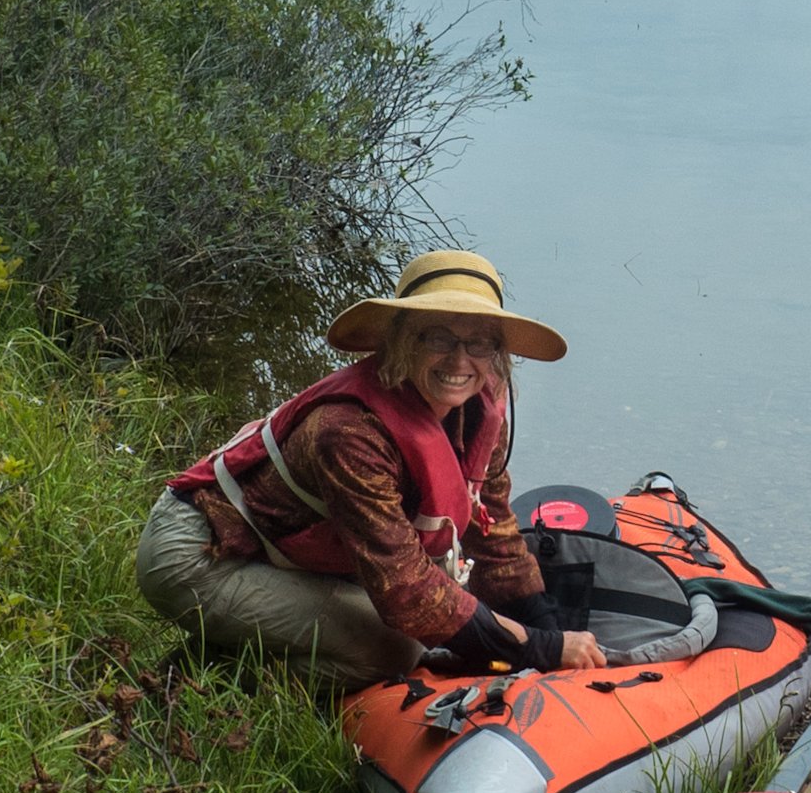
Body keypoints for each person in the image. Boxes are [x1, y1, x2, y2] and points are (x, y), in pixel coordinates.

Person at [134, 250, 609, 690]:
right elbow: (407, 594)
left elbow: (498, 538)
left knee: (437, 620)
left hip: (288, 551)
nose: (460, 361)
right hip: (203, 554)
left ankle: (233, 645)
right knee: (395, 649)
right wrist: (542, 649)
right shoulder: (349, 430)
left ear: (497, 355)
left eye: (480, 343)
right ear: (400, 341)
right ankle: (203, 682)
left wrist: (552, 632)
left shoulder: (477, 411)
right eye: (438, 337)